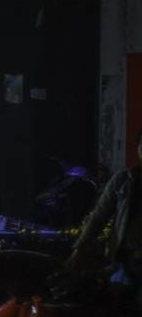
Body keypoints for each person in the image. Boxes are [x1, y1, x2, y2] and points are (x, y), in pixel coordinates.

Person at [65, 129, 142, 304]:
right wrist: (80, 249)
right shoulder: (123, 180)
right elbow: (99, 216)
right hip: (125, 260)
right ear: (138, 148)